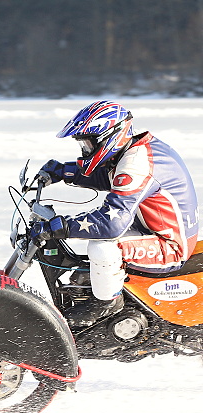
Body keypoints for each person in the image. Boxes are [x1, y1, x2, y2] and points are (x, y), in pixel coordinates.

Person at [30, 100, 200, 327]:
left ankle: (107, 304)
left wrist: (60, 226)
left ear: (109, 137)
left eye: (88, 144)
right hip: (153, 229)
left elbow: (112, 223)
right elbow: (109, 178)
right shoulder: (134, 151)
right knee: (96, 241)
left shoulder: (137, 163)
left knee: (103, 247)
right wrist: (64, 171)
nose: (85, 150)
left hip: (170, 246)